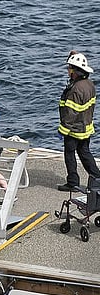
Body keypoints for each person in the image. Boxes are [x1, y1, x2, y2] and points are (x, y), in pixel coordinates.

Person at [57, 51, 100, 192]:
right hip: (85, 127)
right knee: (85, 153)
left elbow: (70, 113)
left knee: (70, 155)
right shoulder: (89, 85)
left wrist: (62, 130)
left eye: (70, 68)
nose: (68, 71)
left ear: (75, 71)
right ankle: (97, 178)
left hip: (73, 130)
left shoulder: (75, 89)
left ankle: (73, 183)